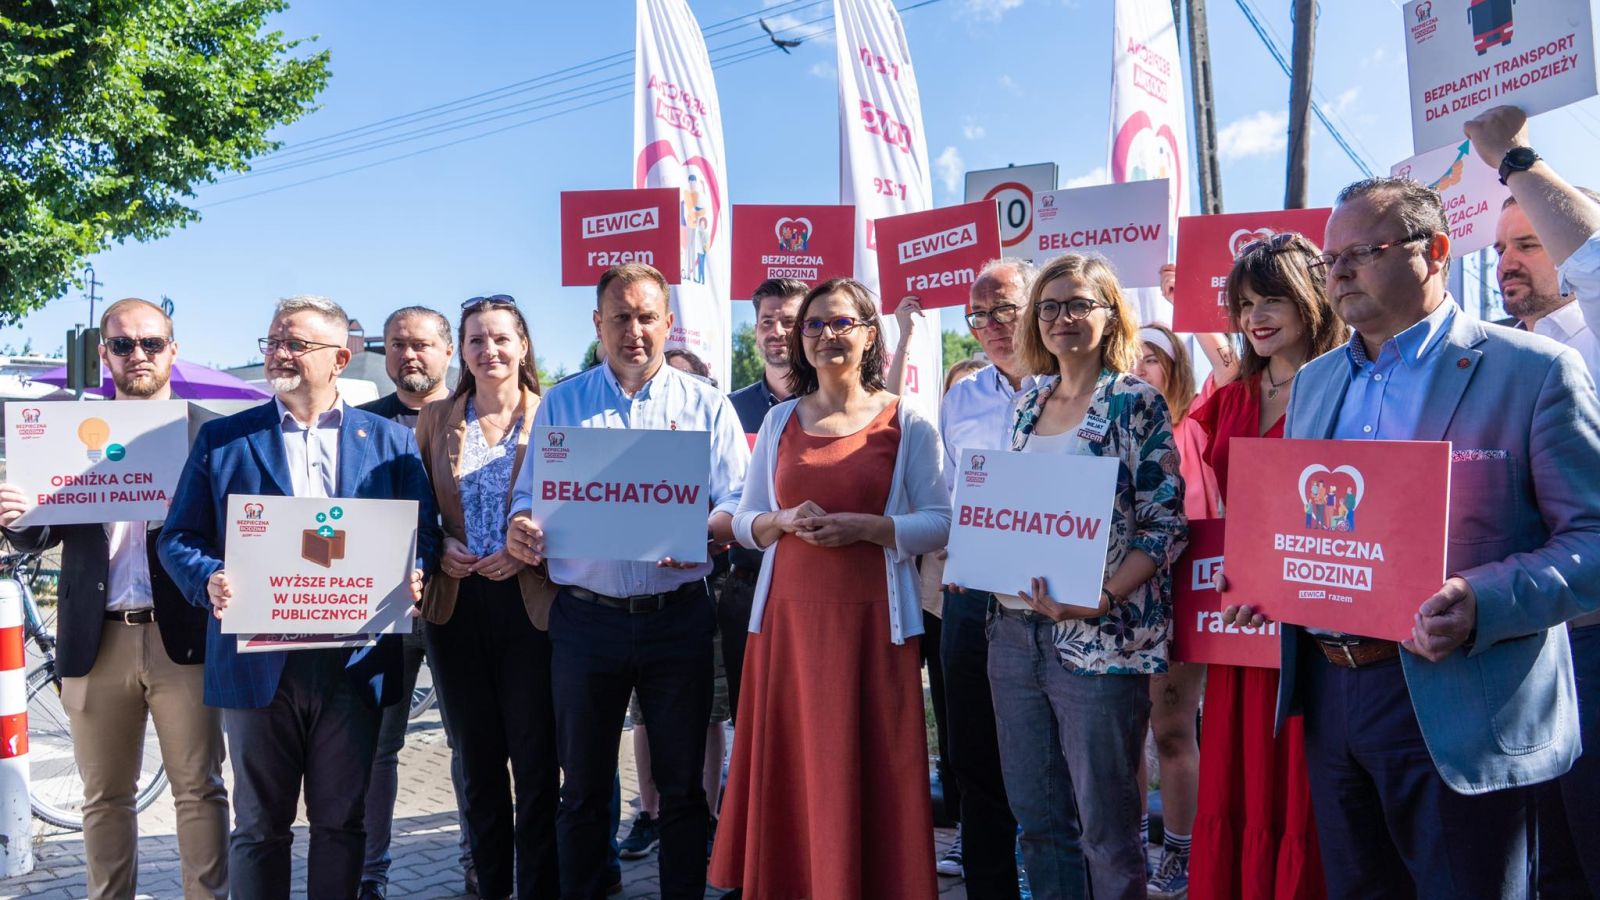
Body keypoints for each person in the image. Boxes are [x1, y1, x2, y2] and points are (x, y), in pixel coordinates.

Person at [1223, 176, 1600, 900]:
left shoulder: (1535, 371)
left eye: (1362, 252)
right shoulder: (1318, 382)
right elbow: (1313, 525)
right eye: (1331, 260)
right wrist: (1268, 581)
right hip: (1333, 698)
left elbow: (1589, 542)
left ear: (1435, 251)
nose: (1338, 274)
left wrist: (1480, 600)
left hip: (1465, 698)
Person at [159, 295, 440, 900]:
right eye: (272, 342)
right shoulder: (223, 439)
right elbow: (179, 537)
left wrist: (416, 572)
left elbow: (426, 535)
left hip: (352, 661)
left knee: (343, 824)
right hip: (259, 660)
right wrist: (208, 577)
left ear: (340, 358)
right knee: (259, 827)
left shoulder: (390, 442)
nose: (278, 354)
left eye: (295, 344)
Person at [504, 263, 748, 900]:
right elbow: (528, 497)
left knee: (684, 789)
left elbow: (739, 498)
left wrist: (709, 528)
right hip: (587, 621)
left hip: (678, 620)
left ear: (668, 322)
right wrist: (521, 525)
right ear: (597, 324)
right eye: (620, 317)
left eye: (646, 317)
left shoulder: (706, 404)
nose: (634, 331)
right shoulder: (562, 401)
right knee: (581, 789)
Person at [709, 277, 950, 898]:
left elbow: (941, 521)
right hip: (787, 628)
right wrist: (778, 522)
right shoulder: (780, 418)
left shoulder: (907, 422)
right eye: (813, 325)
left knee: (867, 765)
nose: (825, 335)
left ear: (870, 333)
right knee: (795, 768)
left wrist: (871, 528)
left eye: (841, 322)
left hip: (874, 626)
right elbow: (742, 516)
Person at [0, 298, 227, 900]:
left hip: (183, 636)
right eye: (123, 345)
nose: (138, 356)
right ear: (104, 355)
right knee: (104, 798)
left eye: (151, 343)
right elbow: (38, 531)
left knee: (200, 789)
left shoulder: (209, 433)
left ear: (173, 351)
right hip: (94, 636)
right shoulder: (65, 434)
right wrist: (16, 516)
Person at [987, 253, 1187, 900]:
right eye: (1049, 306)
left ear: (1110, 315)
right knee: (1040, 823)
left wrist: (1097, 597)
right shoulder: (1028, 400)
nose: (1063, 318)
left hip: (1100, 642)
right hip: (1015, 637)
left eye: (1079, 304)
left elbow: (1164, 526)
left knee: (1107, 829)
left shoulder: (1135, 402)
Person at [1465, 103, 1600, 897]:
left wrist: (1511, 156)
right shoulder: (1489, 362)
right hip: (1514, 651)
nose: (1510, 262)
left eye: (1530, 243)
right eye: (1500, 248)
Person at [1186, 232, 1344, 900]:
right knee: (1237, 773)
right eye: (1244, 303)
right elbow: (1192, 509)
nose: (1254, 316)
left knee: (1303, 781)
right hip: (1238, 626)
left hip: (1316, 626)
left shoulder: (1350, 386)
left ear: (1312, 298)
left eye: (1271, 297)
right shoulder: (1224, 401)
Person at [414, 296, 557, 900]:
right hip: (457, 608)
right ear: (461, 351)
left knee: (537, 761)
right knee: (477, 761)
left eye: (501, 338)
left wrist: (531, 546)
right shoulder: (434, 418)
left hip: (534, 607)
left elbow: (577, 509)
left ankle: (542, 888)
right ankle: (492, 886)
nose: (488, 350)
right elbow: (415, 510)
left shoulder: (555, 414)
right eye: (475, 339)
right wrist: (438, 543)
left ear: (523, 345)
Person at [930, 258, 1053, 898]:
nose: (992, 326)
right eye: (978, 315)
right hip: (975, 600)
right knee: (974, 760)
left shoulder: (1081, 385)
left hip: (1061, 605)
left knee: (1055, 769)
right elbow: (951, 500)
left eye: (1004, 309)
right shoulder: (962, 397)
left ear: (1037, 304)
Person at [356, 305, 476, 900]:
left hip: (461, 602)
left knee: (470, 743)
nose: (410, 355)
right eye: (397, 344)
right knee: (378, 748)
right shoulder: (359, 424)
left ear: (447, 350)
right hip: (382, 610)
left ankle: (478, 864)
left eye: (422, 344)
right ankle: (369, 875)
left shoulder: (477, 415)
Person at [1128, 321, 1214, 898]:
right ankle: (1133, 845)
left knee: (1173, 730)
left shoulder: (1201, 422)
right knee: (1126, 734)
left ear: (1176, 368)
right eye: (1130, 358)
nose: (1140, 369)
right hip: (1123, 604)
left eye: (1153, 359)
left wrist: (1199, 308)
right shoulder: (1109, 426)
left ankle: (1180, 852)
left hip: (1184, 595)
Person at [723, 278, 804, 716]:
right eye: (766, 321)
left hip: (813, 587)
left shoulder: (833, 408)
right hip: (745, 585)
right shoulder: (728, 409)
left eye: (788, 321)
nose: (776, 331)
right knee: (750, 721)